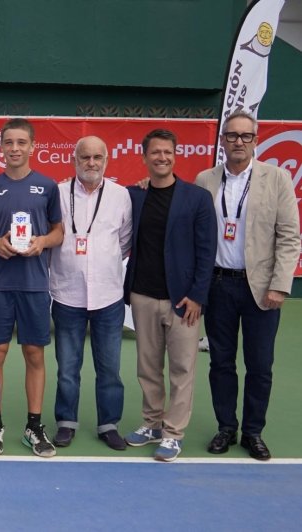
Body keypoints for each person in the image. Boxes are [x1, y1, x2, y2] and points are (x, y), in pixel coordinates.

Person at [196, 110, 301, 461]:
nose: (238, 142)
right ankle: (226, 427)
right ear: (223, 140)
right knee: (221, 363)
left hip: (261, 288)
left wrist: (280, 285)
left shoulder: (277, 178)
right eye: (232, 135)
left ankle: (253, 432)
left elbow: (289, 236)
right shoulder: (205, 179)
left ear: (255, 141)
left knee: (259, 365)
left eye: (245, 136)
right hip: (218, 286)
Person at [0, 118, 63, 458]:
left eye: (21, 142)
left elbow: (59, 232)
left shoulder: (47, 186)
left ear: (32, 146)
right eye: (8, 142)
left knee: (34, 353)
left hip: (35, 284)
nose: (14, 148)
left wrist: (42, 242)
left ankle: (33, 426)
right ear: (1, 147)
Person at [123, 128, 216, 462]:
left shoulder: (197, 198)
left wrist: (197, 295)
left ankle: (173, 433)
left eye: (167, 152)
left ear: (175, 156)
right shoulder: (134, 195)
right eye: (155, 152)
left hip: (183, 301)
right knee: (147, 367)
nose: (162, 157)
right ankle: (152, 424)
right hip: (143, 295)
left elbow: (207, 251)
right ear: (144, 157)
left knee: (181, 368)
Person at [48, 136, 132, 451]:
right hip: (67, 294)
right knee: (68, 368)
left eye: (98, 157)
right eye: (85, 157)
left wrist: (100, 261)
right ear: (75, 160)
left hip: (108, 296)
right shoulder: (57, 193)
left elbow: (124, 240)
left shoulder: (121, 195)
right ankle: (66, 422)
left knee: (109, 368)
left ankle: (108, 425)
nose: (91, 163)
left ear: (106, 160)